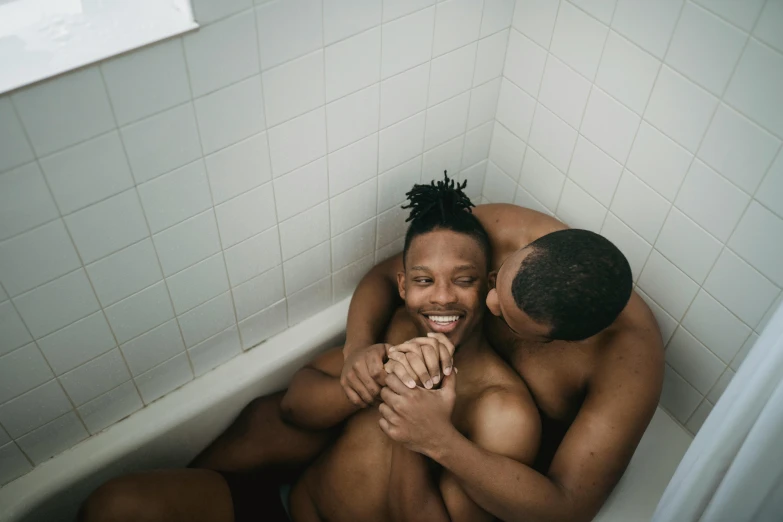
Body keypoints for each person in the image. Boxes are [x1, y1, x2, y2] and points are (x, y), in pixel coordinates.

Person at [79, 175, 540, 522]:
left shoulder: (501, 411)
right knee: (114, 504)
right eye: (423, 281)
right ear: (402, 286)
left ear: (487, 287)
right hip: (280, 505)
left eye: (463, 281)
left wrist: (418, 427)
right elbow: (295, 408)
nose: (441, 298)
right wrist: (368, 374)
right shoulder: (400, 329)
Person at [341, 197, 665, 521]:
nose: (490, 303)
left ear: (565, 340)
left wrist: (439, 441)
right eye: (495, 282)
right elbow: (389, 275)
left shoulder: (628, 366)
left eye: (507, 318)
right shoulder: (504, 230)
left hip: (507, 452)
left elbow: (567, 508)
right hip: (452, 396)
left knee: (455, 500)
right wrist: (355, 348)